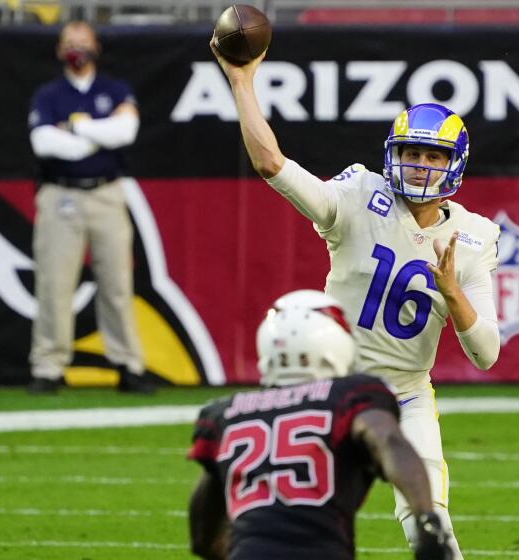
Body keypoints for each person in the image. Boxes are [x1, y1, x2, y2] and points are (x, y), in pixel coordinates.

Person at [209, 38, 500, 559]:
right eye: (411, 152)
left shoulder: (475, 236)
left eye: (432, 155)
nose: (418, 165)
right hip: (328, 387)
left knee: (429, 518)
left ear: (454, 164)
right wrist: (241, 82)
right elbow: (272, 164)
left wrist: (453, 292)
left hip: (405, 392)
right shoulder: (360, 195)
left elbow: (486, 353)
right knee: (285, 517)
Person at [187, 289, 452, 560]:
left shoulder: (229, 412)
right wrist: (426, 519)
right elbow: (389, 441)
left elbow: (201, 538)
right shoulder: (350, 396)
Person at [26, 20, 154, 394]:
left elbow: (125, 133)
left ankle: (127, 365)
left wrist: (76, 127)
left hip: (106, 194)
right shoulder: (48, 94)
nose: (77, 48)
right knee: (55, 283)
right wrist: (98, 134)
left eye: (83, 41)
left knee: (116, 282)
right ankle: (49, 366)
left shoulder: (114, 89)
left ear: (96, 46)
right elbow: (44, 144)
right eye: (69, 42)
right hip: (59, 194)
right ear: (59, 50)